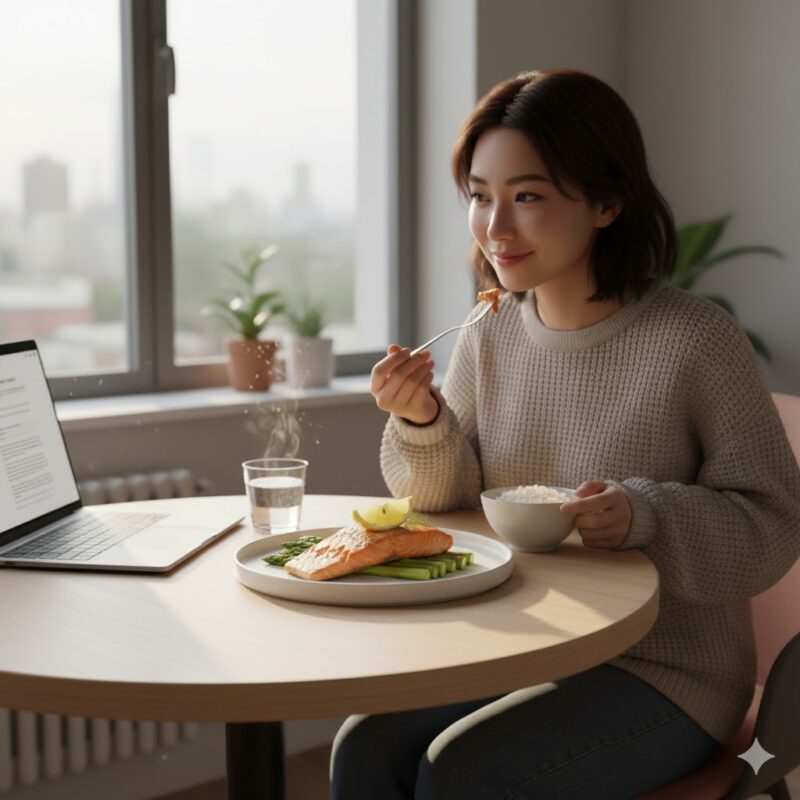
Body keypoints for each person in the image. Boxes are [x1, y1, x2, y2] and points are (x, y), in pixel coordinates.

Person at [330, 68, 800, 799]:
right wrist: (422, 420)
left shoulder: (697, 341)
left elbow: (773, 522)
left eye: (528, 197)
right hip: (527, 648)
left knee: (463, 776)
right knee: (365, 747)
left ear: (607, 203)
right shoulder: (490, 334)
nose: (495, 227)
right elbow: (443, 501)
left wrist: (645, 515)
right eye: (480, 197)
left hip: (668, 672)